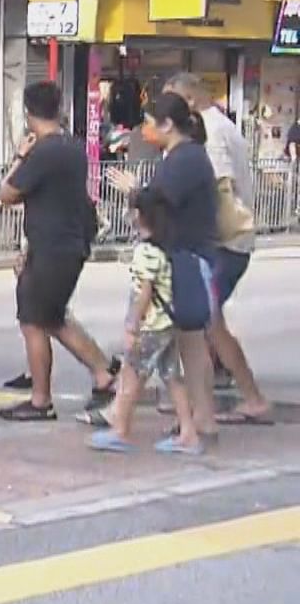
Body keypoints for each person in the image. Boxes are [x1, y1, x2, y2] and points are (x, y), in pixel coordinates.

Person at [0, 81, 117, 422]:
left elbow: (6, 194)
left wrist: (20, 155)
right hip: (66, 243)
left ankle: (40, 399)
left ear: (28, 113)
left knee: (34, 322)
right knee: (54, 317)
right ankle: (104, 375)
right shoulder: (73, 146)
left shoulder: (43, 151)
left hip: (51, 247)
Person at [113, 94, 219, 454]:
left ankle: (122, 422)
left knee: (148, 347)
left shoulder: (184, 160)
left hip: (181, 261)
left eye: (148, 121)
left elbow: (158, 203)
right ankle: (196, 419)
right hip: (185, 259)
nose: (144, 130)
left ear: (167, 124)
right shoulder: (184, 157)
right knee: (181, 350)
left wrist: (135, 192)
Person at [163, 73, 271, 426]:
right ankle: (200, 399)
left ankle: (243, 398)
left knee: (205, 323)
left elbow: (220, 186)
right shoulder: (221, 125)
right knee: (206, 323)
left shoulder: (209, 133)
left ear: (190, 100)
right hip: (226, 241)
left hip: (222, 242)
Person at [87, 188, 181, 453]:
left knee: (130, 374)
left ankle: (121, 429)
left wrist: (132, 325)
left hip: (151, 325)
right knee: (172, 376)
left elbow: (144, 292)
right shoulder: (167, 246)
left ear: (139, 215)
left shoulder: (146, 251)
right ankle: (188, 432)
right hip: (169, 322)